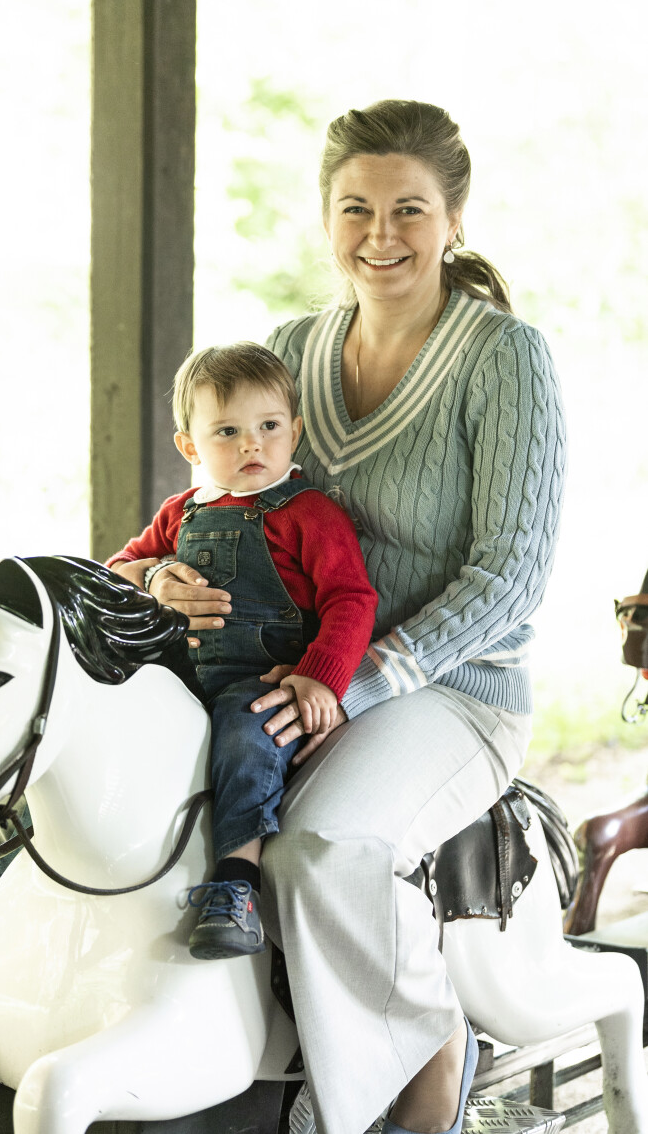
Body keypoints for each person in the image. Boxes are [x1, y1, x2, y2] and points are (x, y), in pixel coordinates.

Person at [110, 99, 566, 1134]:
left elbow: (511, 577)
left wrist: (351, 684)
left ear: (454, 217)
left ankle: (425, 1048)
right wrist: (159, 581)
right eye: (355, 208)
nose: (380, 235)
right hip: (283, 670)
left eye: (409, 209)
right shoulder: (288, 349)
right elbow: (216, 505)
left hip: (450, 691)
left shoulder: (505, 358)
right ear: (327, 217)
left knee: (320, 845)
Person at [107, 342, 377, 960]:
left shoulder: (309, 514)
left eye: (269, 427)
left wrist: (321, 678)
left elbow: (351, 599)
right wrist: (151, 575)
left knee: (244, 733)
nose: (251, 444)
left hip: (262, 680)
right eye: (227, 431)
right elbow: (116, 568)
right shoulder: (182, 512)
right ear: (191, 447)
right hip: (181, 677)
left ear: (295, 432)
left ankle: (235, 881)